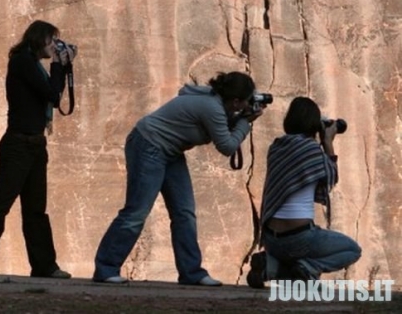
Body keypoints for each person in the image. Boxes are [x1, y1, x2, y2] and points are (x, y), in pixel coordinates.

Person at [93, 71, 264, 285]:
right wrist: (245, 123)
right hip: (149, 145)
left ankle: (192, 273)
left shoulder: (214, 102)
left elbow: (222, 129)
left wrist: (240, 117)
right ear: (236, 100)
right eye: (246, 101)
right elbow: (228, 146)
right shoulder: (212, 107)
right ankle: (106, 268)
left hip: (170, 152)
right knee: (137, 211)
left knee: (184, 213)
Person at [0, 20, 75, 280]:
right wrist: (59, 64)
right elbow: (52, 94)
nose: (53, 47)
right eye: (50, 41)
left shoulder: (34, 64)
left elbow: (51, 93)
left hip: (35, 144)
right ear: (38, 39)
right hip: (18, 144)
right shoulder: (22, 62)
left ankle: (45, 266)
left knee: (36, 210)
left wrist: (62, 65)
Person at [246, 97, 361, 288]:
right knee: (352, 250)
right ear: (314, 124)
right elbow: (331, 176)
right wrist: (327, 142)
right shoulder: (310, 149)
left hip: (271, 240)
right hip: (299, 238)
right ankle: (307, 267)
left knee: (294, 253)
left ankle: (271, 266)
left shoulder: (276, 147)